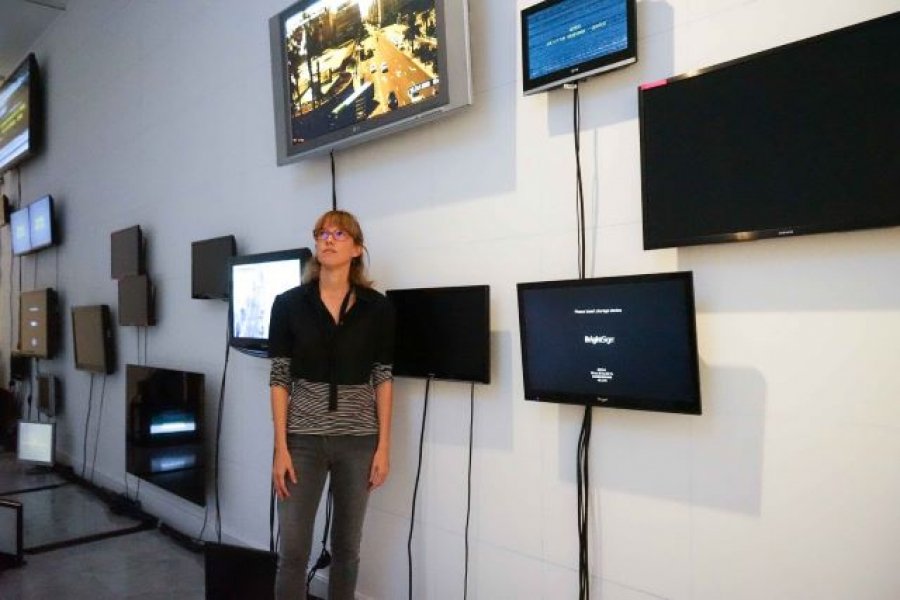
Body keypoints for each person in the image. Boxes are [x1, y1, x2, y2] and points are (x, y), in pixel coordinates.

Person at [268, 210, 394, 600]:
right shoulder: (288, 304)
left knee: (347, 549)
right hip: (302, 441)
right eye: (322, 233)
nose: (328, 239)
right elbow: (279, 378)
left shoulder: (377, 308)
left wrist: (383, 446)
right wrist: (281, 447)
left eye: (339, 234)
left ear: (356, 249)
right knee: (292, 551)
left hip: (358, 442)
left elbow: (383, 377)